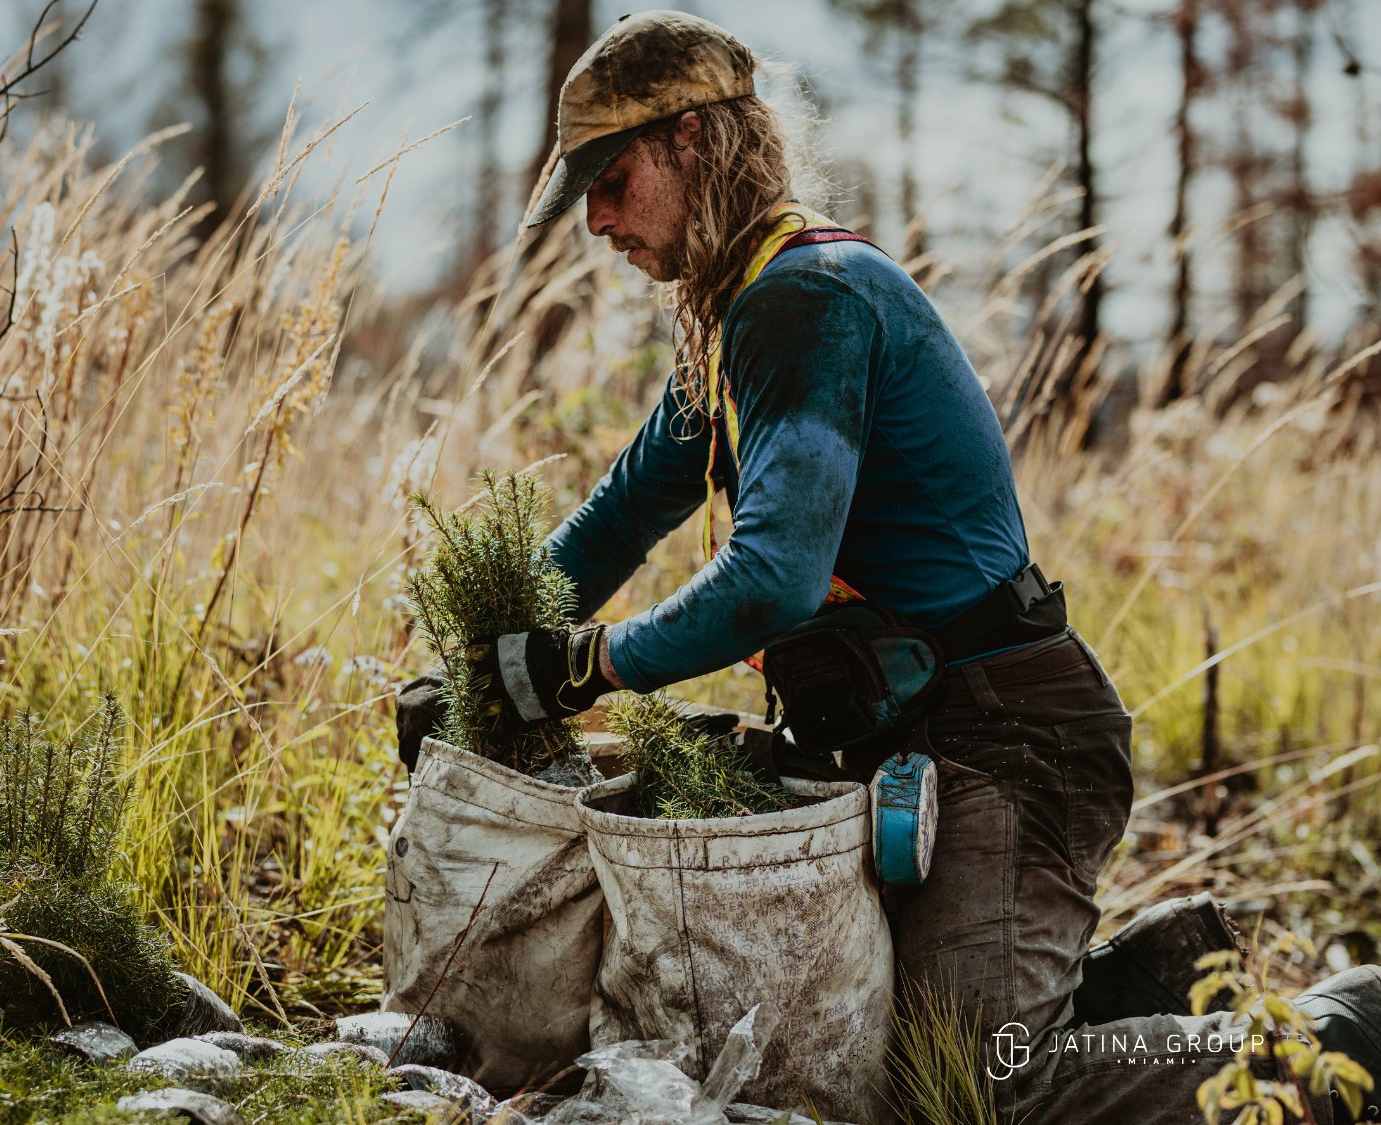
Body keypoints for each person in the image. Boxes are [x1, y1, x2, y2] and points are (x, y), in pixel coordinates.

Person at [395, 11, 1373, 1122]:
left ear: (696, 142)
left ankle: (1347, 1033)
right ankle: (1164, 973)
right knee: (882, 1044)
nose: (595, 219)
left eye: (612, 178)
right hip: (917, 739)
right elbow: (622, 515)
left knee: (979, 1090)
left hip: (1007, 738)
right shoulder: (729, 318)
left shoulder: (802, 305)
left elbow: (772, 579)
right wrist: (473, 669)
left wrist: (581, 667)